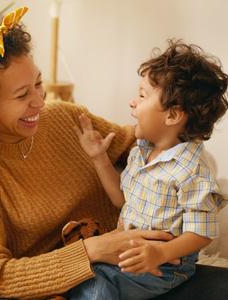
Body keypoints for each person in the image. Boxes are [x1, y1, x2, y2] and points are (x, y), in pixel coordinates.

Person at [0, 6, 176, 300]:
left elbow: (137, 145)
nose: (39, 102)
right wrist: (95, 250)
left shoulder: (65, 118)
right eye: (22, 95)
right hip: (74, 289)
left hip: (140, 267)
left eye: (38, 84)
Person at [71, 39, 228, 299]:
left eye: (142, 95)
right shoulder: (141, 150)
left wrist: (161, 253)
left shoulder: (192, 169)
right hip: (128, 251)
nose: (132, 102)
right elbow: (121, 200)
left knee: (96, 288)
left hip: (165, 267)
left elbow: (202, 232)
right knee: (79, 275)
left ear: (173, 116)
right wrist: (99, 159)